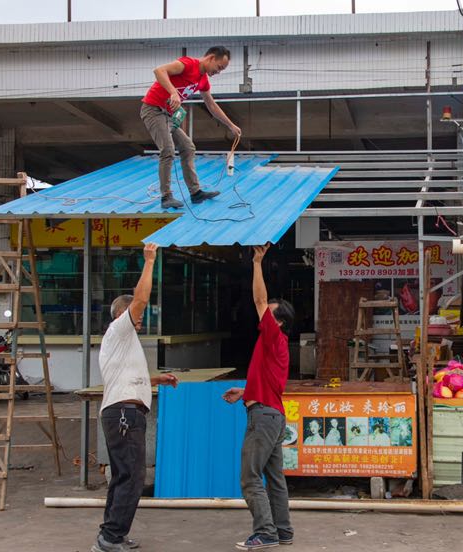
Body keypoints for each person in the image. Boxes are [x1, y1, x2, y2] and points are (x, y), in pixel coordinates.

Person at [91, 243, 179, 552]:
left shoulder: (122, 342)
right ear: (121, 314)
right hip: (124, 414)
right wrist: (150, 261)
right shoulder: (119, 330)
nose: (139, 317)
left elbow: (124, 376)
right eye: (135, 314)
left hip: (121, 413)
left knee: (123, 476)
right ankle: (111, 537)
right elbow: (140, 299)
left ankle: (111, 534)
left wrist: (156, 379)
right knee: (132, 477)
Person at [223, 243, 296, 550]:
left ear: (278, 322)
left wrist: (256, 262)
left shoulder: (273, 336)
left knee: (250, 477)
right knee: (275, 479)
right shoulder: (276, 347)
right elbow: (269, 384)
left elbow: (259, 299)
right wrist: (246, 391)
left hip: (264, 418)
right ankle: (283, 531)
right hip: (273, 415)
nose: (263, 315)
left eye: (269, 314)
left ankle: (265, 533)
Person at [141, 46, 242, 209]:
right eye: (219, 67)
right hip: (153, 110)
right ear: (211, 58)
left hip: (168, 116)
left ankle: (195, 193)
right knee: (167, 150)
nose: (218, 72)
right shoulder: (188, 64)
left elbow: (211, 105)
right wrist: (173, 92)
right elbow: (159, 70)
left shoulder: (203, 80)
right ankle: (166, 196)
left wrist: (230, 125)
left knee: (188, 147)